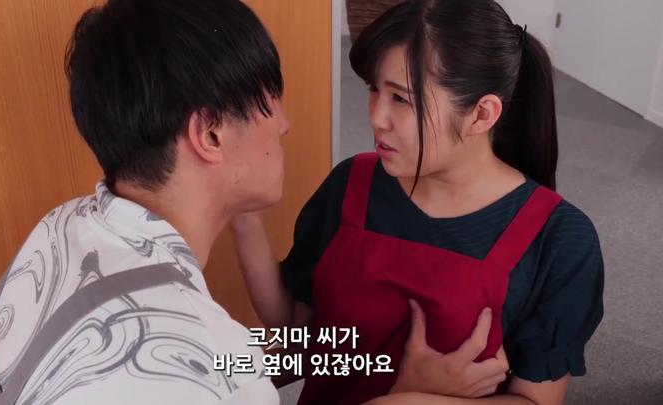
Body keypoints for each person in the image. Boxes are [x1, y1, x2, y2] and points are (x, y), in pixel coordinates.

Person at [232, 0, 605, 404]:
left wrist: (410, 398)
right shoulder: (351, 183)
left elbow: (536, 400)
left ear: (481, 114)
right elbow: (301, 334)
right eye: (374, 90)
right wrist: (244, 217)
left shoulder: (559, 239)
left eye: (401, 99)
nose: (377, 117)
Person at [0, 0, 289, 403]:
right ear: (210, 134)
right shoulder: (223, 377)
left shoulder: (55, 228)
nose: (283, 124)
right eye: (270, 100)